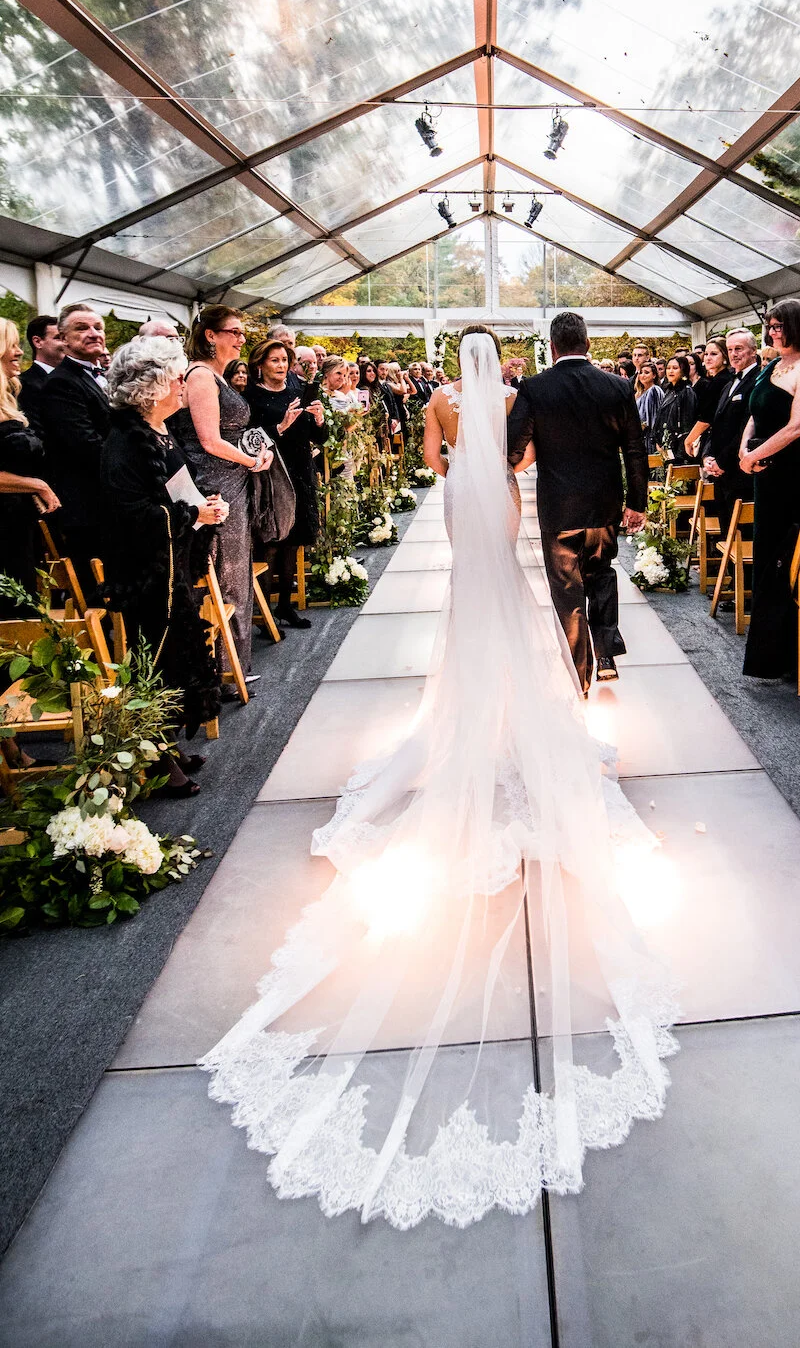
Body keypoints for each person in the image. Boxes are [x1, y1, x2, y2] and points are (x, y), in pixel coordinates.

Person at [203, 325, 676, 1233]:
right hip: (498, 499)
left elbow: (430, 463)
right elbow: (520, 458)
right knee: (510, 594)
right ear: (501, 360)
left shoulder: (442, 403)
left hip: (466, 500)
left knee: (470, 597)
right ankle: (522, 715)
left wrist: (455, 455)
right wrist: (504, 467)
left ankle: (465, 716)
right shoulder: (511, 399)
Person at [100, 337, 225, 783]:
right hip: (144, 572)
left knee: (174, 657)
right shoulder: (125, 441)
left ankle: (166, 746)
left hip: (171, 563)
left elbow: (174, 488)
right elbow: (133, 515)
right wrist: (194, 514)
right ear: (153, 386)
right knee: (153, 659)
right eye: (176, 379)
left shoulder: (158, 430)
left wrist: (203, 507)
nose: (183, 388)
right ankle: (154, 755)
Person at [506, 310, 649, 692]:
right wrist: (638, 502)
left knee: (567, 590)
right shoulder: (618, 387)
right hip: (604, 504)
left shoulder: (535, 389)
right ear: (587, 344)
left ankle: (579, 674)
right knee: (602, 572)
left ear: (552, 348)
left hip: (559, 507)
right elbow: (635, 450)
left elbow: (513, 445)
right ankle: (605, 653)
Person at [171, 306, 272, 683]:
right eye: (235, 332)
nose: (242, 339)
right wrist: (249, 460)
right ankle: (220, 670)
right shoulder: (199, 376)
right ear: (210, 335)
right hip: (214, 483)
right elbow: (209, 440)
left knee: (237, 569)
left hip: (232, 477)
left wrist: (256, 452)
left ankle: (235, 665)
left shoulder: (218, 377)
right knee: (224, 570)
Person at [739, 301, 800, 681]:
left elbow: (797, 426)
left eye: (780, 326)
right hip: (764, 471)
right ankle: (766, 654)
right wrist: (744, 450)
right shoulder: (772, 366)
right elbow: (756, 413)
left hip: (795, 474)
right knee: (764, 556)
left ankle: (794, 653)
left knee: (786, 561)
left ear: (798, 328)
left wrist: (755, 453)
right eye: (771, 326)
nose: (773, 332)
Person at [247, 339, 326, 629]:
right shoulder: (251, 396)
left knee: (293, 542)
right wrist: (280, 426)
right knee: (272, 539)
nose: (281, 366)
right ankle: (264, 610)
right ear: (260, 365)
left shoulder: (297, 392)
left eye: (284, 360)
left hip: (300, 469)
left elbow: (319, 439)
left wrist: (318, 420)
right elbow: (249, 438)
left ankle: (284, 606)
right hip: (272, 473)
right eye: (274, 361)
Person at [38, 302, 112, 596]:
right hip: (86, 504)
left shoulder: (94, 375)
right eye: (82, 328)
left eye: (98, 327)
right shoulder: (61, 383)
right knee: (97, 591)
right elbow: (84, 445)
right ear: (63, 339)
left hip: (104, 499)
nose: (93, 333)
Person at [0, 318, 61, 613]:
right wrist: (37, 485)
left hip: (19, 527)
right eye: (12, 345)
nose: (19, 352)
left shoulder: (9, 400)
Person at [700, 328, 760, 539]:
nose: (734, 354)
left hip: (739, 471)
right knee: (727, 534)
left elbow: (746, 429)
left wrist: (722, 462)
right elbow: (715, 426)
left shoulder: (758, 382)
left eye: (739, 349)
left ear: (753, 351)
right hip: (720, 472)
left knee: (743, 537)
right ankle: (731, 573)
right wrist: (707, 456)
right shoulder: (728, 385)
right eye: (730, 349)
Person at [685, 339, 732, 458]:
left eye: (714, 354)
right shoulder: (716, 380)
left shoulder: (721, 381)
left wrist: (689, 440)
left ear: (725, 357)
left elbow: (706, 418)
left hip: (718, 442)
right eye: (706, 354)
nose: (708, 358)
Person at [18, 313, 65, 428]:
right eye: (58, 338)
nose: (66, 343)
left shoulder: (76, 378)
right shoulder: (23, 384)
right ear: (38, 342)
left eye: (66, 338)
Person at [657, 355, 696, 463]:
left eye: (675, 368)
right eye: (668, 368)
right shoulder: (669, 390)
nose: (671, 371)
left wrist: (680, 454)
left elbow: (687, 423)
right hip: (666, 446)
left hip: (680, 450)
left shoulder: (687, 392)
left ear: (683, 370)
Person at [634, 361, 663, 454]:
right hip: (641, 436)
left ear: (654, 375)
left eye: (646, 372)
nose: (643, 375)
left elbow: (655, 418)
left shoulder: (654, 390)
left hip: (650, 438)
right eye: (641, 373)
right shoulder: (639, 393)